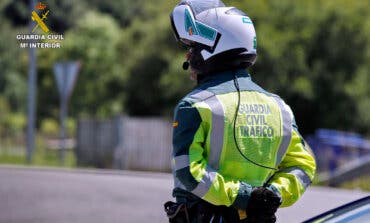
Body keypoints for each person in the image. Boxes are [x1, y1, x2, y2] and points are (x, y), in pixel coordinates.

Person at [164, 1, 316, 222]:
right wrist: (269, 196)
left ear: (211, 49)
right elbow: (303, 166)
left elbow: (189, 173)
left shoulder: (195, 105)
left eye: (193, 48)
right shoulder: (279, 107)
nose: (188, 57)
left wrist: (245, 197)